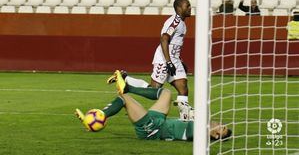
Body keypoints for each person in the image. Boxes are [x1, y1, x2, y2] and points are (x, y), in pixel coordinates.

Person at [76, 70, 232, 141]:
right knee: (166, 94)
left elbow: (198, 128)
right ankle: (128, 86)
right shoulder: (200, 127)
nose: (220, 124)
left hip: (153, 129)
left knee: (124, 99)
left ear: (215, 135)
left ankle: (99, 118)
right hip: (160, 121)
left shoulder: (199, 134)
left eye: (222, 128)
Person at [107, 0, 193, 121]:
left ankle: (185, 118)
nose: (190, 8)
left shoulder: (182, 23)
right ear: (179, 8)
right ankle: (125, 78)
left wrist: (179, 60)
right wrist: (168, 62)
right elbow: (164, 39)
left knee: (183, 87)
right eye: (187, 6)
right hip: (164, 59)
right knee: (154, 91)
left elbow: (174, 44)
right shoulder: (175, 21)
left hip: (174, 59)